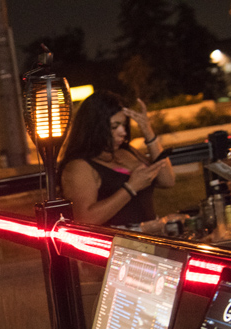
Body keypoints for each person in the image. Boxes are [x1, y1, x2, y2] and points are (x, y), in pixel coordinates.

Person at [59, 91, 176, 232]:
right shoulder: (79, 166)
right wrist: (131, 188)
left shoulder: (127, 151)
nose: (123, 132)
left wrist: (148, 132)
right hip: (117, 242)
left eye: (124, 125)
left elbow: (167, 181)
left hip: (149, 237)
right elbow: (85, 218)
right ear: (94, 127)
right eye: (114, 126)